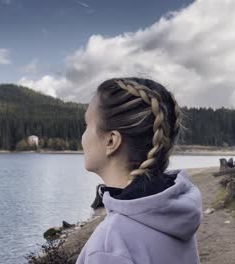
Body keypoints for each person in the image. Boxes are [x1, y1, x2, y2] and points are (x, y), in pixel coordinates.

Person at [77, 77, 202, 264]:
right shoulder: (172, 213)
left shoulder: (110, 244)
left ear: (111, 141)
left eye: (87, 125)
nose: (83, 136)